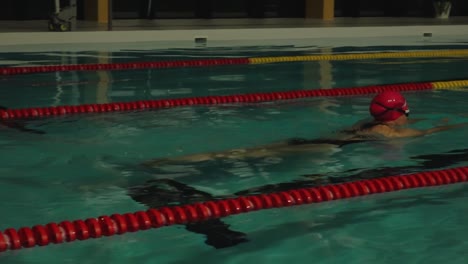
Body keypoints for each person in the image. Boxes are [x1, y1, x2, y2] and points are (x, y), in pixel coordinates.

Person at [142, 90, 466, 166]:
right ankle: (181, 162)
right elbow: (430, 133)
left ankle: (179, 161)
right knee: (243, 157)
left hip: (316, 139)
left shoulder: (368, 122)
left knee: (241, 153)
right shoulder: (395, 133)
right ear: (399, 114)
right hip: (325, 149)